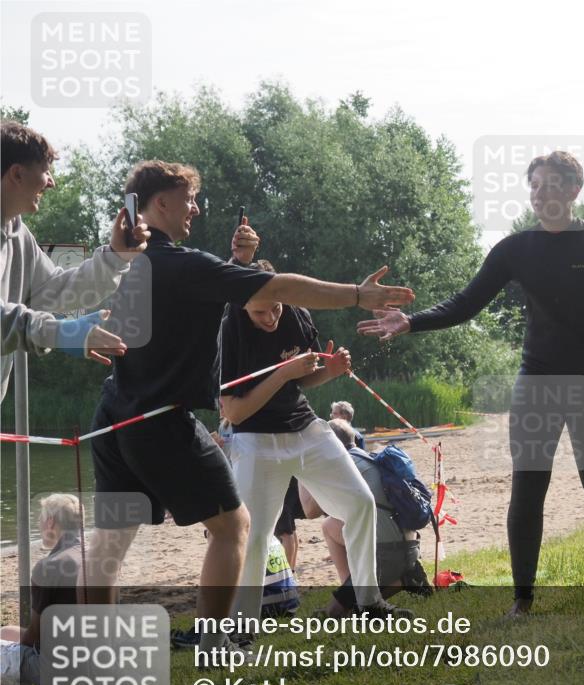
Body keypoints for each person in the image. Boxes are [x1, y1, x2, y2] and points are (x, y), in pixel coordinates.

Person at [82, 160, 415, 652]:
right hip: (161, 418)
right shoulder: (181, 265)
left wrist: (237, 261)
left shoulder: (126, 261)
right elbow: (275, 287)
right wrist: (355, 295)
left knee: (111, 538)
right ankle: (217, 640)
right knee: (235, 526)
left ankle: (93, 650)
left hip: (115, 412)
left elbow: (179, 293)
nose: (196, 209)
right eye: (188, 199)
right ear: (161, 203)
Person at [358, 151, 584, 615]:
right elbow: (466, 303)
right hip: (537, 380)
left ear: (574, 190)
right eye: (534, 186)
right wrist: (411, 322)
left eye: (551, 185)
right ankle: (522, 600)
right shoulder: (515, 249)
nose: (540, 195)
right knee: (527, 489)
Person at [219, 259, 409, 624]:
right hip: (255, 439)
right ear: (243, 304)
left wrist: (330, 371)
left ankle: (369, 602)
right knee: (256, 533)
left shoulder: (297, 314)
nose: (271, 317)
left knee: (360, 504)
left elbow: (302, 378)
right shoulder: (229, 330)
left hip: (305, 429)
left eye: (277, 307)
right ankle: (243, 624)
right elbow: (235, 412)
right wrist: (282, 374)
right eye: (260, 311)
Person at [1, 120, 150, 401]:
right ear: (17, 174)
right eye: (45, 171)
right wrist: (59, 333)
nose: (51, 182)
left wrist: (116, 257)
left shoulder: (18, 234)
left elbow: (55, 289)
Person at [308, 418, 429, 617]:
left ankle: (404, 580)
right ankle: (395, 579)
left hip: (387, 554)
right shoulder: (369, 458)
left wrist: (303, 463)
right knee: (330, 525)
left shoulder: (344, 466)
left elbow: (310, 510)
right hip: (409, 546)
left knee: (336, 613)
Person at [0, 494, 82, 685]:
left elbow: (34, 635)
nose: (39, 525)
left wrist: (17, 650)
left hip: (61, 672)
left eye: (40, 519)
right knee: (5, 633)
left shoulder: (49, 567)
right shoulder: (100, 558)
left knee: (8, 652)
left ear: (50, 521)